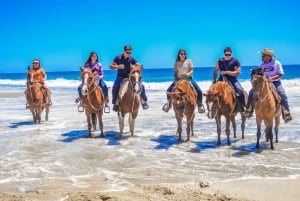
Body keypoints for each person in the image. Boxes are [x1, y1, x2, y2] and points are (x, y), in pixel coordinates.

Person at [243, 48, 292, 123]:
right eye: (262, 55)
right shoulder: (261, 64)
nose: (262, 57)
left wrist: (272, 78)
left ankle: (286, 113)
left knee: (282, 93)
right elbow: (259, 74)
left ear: (269, 56)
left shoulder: (277, 63)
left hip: (275, 82)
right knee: (251, 92)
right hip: (263, 83)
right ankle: (249, 110)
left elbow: (280, 74)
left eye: (263, 55)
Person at [162, 49, 205, 113]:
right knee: (168, 91)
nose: (183, 55)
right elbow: (175, 73)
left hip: (188, 79)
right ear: (179, 55)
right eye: (182, 54)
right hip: (179, 79)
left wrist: (188, 74)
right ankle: (168, 104)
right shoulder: (176, 63)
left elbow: (192, 70)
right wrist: (175, 80)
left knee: (199, 90)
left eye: (184, 54)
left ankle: (200, 105)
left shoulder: (189, 61)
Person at [110, 45, 149, 112]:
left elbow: (139, 65)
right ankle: (115, 104)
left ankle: (143, 102)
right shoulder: (118, 57)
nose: (128, 54)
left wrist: (140, 66)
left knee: (141, 86)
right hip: (121, 76)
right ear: (124, 51)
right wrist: (118, 66)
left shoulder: (131, 59)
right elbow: (111, 66)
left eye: (130, 52)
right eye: (127, 52)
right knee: (115, 87)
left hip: (130, 77)